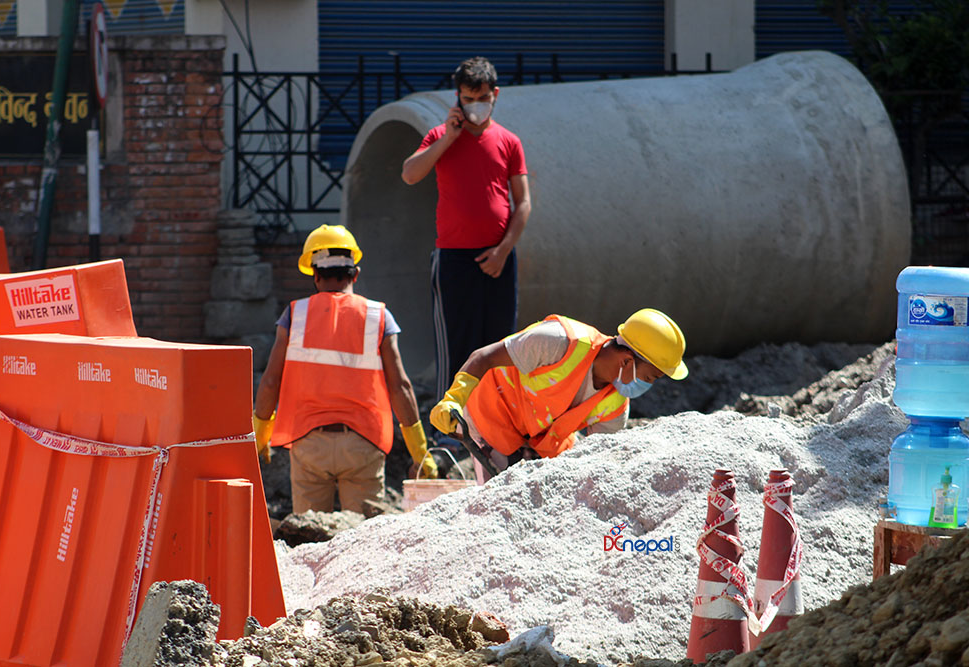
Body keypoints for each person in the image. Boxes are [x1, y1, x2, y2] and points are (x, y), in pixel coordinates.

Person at [253, 225, 438, 515]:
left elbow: (270, 382)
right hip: (363, 444)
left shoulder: (295, 315)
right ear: (356, 273)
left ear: (315, 275)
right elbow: (400, 386)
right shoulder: (378, 316)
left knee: (310, 534)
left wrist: (260, 435)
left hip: (309, 445)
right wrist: (420, 451)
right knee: (364, 536)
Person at [401, 56, 532, 405]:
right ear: (457, 97)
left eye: (483, 98)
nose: (476, 105)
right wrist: (448, 137)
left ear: (495, 95)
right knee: (457, 343)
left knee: (500, 345)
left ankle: (499, 418)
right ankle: (452, 423)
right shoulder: (440, 136)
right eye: (468, 98)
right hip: (454, 259)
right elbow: (410, 174)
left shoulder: (508, 141)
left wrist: (503, 251)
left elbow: (523, 203)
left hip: (498, 259)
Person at [430, 308, 688, 483]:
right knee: (493, 505)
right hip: (492, 414)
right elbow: (483, 357)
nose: (647, 386)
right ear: (627, 361)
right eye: (649, 377)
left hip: (541, 441)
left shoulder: (615, 405)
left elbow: (598, 465)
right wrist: (454, 399)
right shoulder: (560, 341)